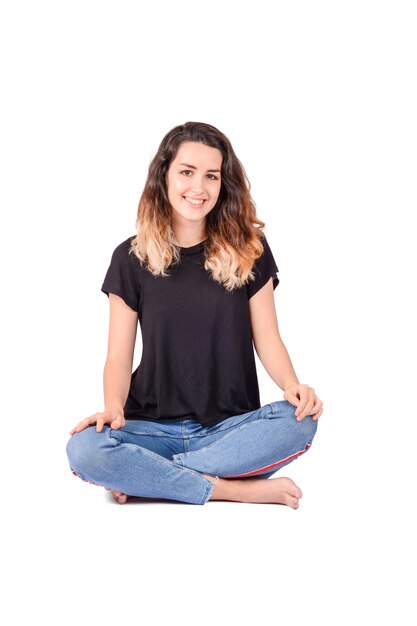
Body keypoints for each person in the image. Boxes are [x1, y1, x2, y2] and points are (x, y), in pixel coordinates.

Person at [66, 121, 323, 508]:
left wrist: (292, 385)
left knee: (298, 421)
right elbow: (118, 357)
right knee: (85, 448)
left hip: (228, 429)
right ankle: (232, 488)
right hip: (149, 426)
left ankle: (150, 478)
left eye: (211, 176)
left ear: (224, 184)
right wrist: (114, 412)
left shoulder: (249, 249)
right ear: (164, 176)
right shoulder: (129, 258)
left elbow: (268, 337)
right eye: (187, 172)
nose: (198, 188)